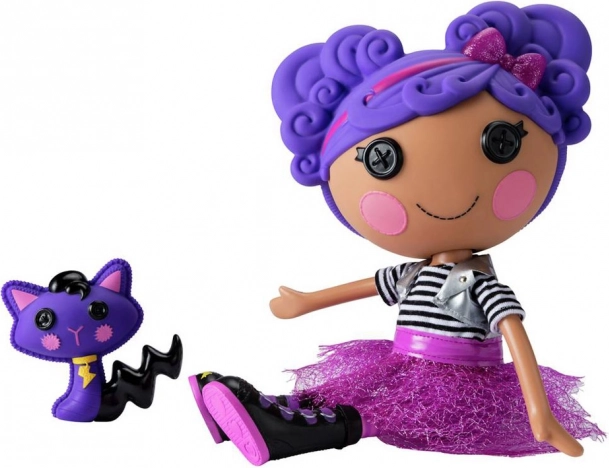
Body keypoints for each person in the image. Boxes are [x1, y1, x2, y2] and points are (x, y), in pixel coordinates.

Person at [189, 2, 603, 464]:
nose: (447, 194)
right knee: (347, 390)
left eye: (501, 145)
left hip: (460, 383)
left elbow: (516, 338)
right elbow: (371, 285)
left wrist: (539, 414)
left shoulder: (480, 285)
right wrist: (306, 300)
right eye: (383, 160)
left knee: (383, 413)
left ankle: (287, 434)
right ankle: (261, 408)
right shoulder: (414, 273)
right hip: (404, 361)